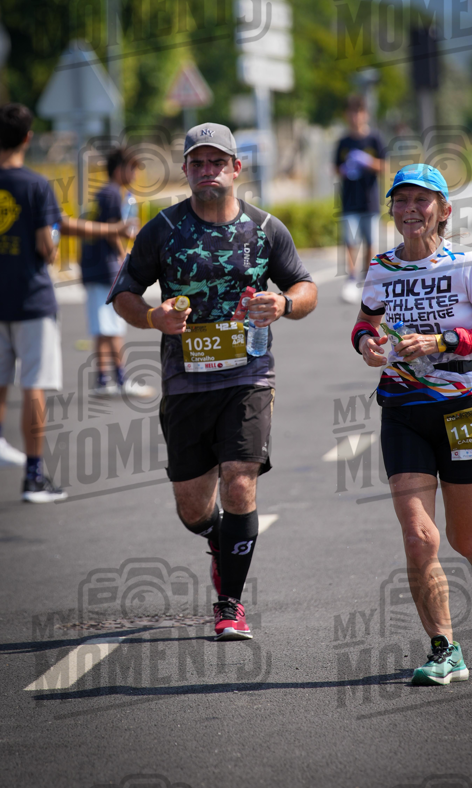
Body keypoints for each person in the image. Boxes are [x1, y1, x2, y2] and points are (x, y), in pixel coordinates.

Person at [110, 123, 317, 640]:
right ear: (185, 169)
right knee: (192, 507)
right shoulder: (163, 229)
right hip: (185, 382)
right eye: (198, 163)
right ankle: (215, 536)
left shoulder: (265, 229)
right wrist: (152, 317)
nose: (208, 171)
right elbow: (123, 293)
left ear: (236, 168)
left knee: (240, 480)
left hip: (249, 375)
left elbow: (305, 286)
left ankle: (230, 605)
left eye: (217, 162)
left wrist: (284, 303)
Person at [352, 163, 472, 685]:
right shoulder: (382, 268)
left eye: (421, 200)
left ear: (443, 210)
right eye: (400, 200)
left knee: (467, 539)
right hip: (403, 410)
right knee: (419, 538)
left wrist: (441, 341)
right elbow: (364, 323)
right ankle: (445, 649)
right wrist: (367, 344)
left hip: (464, 409)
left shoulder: (467, 264)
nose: (410, 210)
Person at [0, 103, 135, 500]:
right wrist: (53, 248)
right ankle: (33, 476)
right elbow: (49, 242)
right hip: (32, 301)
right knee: (34, 386)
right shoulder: (35, 185)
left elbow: (66, 224)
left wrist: (108, 229)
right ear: (28, 138)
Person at [79, 147, 154, 398]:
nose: (135, 174)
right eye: (132, 168)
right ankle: (121, 379)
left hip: (95, 269)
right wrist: (124, 258)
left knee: (103, 327)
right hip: (105, 269)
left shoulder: (106, 192)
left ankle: (104, 380)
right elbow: (113, 231)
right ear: (119, 169)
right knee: (112, 326)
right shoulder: (113, 193)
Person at [334, 94, 386, 304]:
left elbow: (384, 165)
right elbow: (335, 168)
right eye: (352, 112)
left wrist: (368, 162)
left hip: (370, 200)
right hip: (349, 201)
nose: (355, 117)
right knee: (350, 241)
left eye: (359, 112)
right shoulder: (343, 142)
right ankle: (351, 278)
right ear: (347, 115)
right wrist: (345, 169)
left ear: (365, 114)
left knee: (371, 242)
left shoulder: (374, 139)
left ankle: (368, 279)